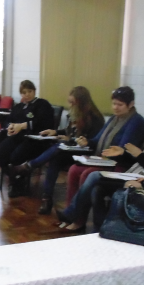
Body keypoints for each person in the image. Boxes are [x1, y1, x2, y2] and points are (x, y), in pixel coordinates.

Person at [84, 101, 144, 231]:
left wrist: (139, 155)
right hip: (135, 174)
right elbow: (139, 160)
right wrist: (123, 153)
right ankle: (101, 228)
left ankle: (74, 215)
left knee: (94, 176)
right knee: (97, 187)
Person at [10, 85, 105, 213]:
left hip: (86, 153)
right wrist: (54, 132)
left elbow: (91, 142)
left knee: (58, 148)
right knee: (56, 158)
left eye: (73, 103)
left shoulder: (95, 119)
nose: (70, 106)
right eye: (69, 102)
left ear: (81, 103)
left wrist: (69, 140)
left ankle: (29, 166)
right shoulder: (77, 113)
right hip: (71, 150)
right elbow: (69, 132)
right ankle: (46, 199)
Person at [62, 86, 144, 207]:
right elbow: (97, 140)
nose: (115, 107)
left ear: (131, 104)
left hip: (122, 166)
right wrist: (87, 142)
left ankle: (77, 217)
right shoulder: (114, 118)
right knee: (73, 170)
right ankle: (70, 209)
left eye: (120, 104)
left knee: (87, 174)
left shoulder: (136, 122)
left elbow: (125, 152)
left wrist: (116, 153)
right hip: (105, 162)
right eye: (114, 104)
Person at [0, 80, 56, 197]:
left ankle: (17, 183)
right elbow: (8, 121)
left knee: (15, 156)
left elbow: (43, 123)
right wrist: (10, 127)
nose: (27, 95)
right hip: (17, 138)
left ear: (34, 91)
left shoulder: (42, 104)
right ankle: (16, 179)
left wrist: (23, 125)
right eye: (24, 92)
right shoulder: (18, 107)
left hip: (35, 140)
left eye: (29, 91)